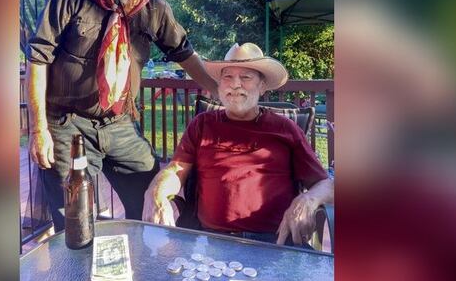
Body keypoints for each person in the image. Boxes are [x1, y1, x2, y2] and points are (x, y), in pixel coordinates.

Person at [25, 0, 218, 231]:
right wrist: (39, 128)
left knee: (154, 194)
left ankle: (142, 268)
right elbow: (37, 59)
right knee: (75, 219)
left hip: (120, 124)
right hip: (67, 124)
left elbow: (184, 53)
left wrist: (217, 89)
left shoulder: (155, 9)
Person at [143, 43, 333, 246]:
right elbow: (175, 171)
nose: (235, 85)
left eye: (246, 77)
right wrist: (156, 192)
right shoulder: (202, 124)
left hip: (274, 242)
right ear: (219, 85)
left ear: (262, 86)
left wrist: (308, 200)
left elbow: (326, 185)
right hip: (211, 241)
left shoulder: (286, 129)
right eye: (227, 77)